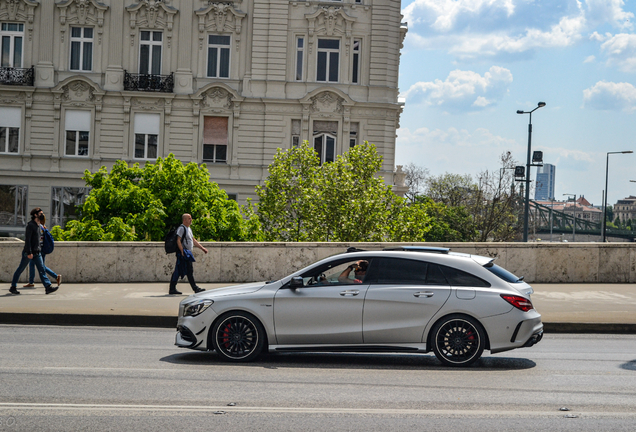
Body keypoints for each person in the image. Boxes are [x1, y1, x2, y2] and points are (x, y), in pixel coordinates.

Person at [9, 208, 59, 295]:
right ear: (35, 215)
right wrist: (29, 252)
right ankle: (13, 287)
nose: (42, 215)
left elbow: (38, 240)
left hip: (37, 252)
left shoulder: (39, 226)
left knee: (42, 270)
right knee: (20, 269)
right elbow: (27, 240)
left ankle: (48, 287)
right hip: (29, 253)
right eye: (40, 213)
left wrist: (39, 250)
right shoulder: (30, 225)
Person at [169, 213, 208, 295]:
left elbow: (193, 240)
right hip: (183, 254)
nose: (191, 220)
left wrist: (202, 248)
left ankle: (172, 288)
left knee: (179, 271)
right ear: (184, 220)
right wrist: (182, 251)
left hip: (187, 253)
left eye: (191, 218)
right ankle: (195, 288)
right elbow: (178, 240)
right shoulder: (182, 228)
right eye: (189, 218)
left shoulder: (189, 229)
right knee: (188, 270)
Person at [23, 213, 61, 289]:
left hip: (38, 250)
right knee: (33, 265)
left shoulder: (38, 227)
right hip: (42, 249)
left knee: (41, 266)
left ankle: (55, 277)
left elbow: (37, 240)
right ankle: (31, 282)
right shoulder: (44, 227)